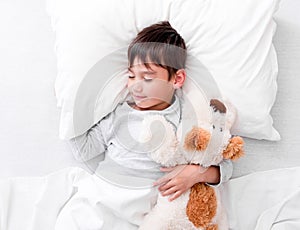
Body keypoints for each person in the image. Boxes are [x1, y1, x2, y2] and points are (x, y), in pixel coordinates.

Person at [69, 21, 232, 228]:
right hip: (102, 200)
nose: (136, 85)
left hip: (147, 214)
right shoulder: (119, 115)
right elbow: (83, 150)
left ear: (177, 79)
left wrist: (195, 174)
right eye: (131, 76)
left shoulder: (187, 116)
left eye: (147, 77)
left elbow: (226, 167)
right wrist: (73, 108)